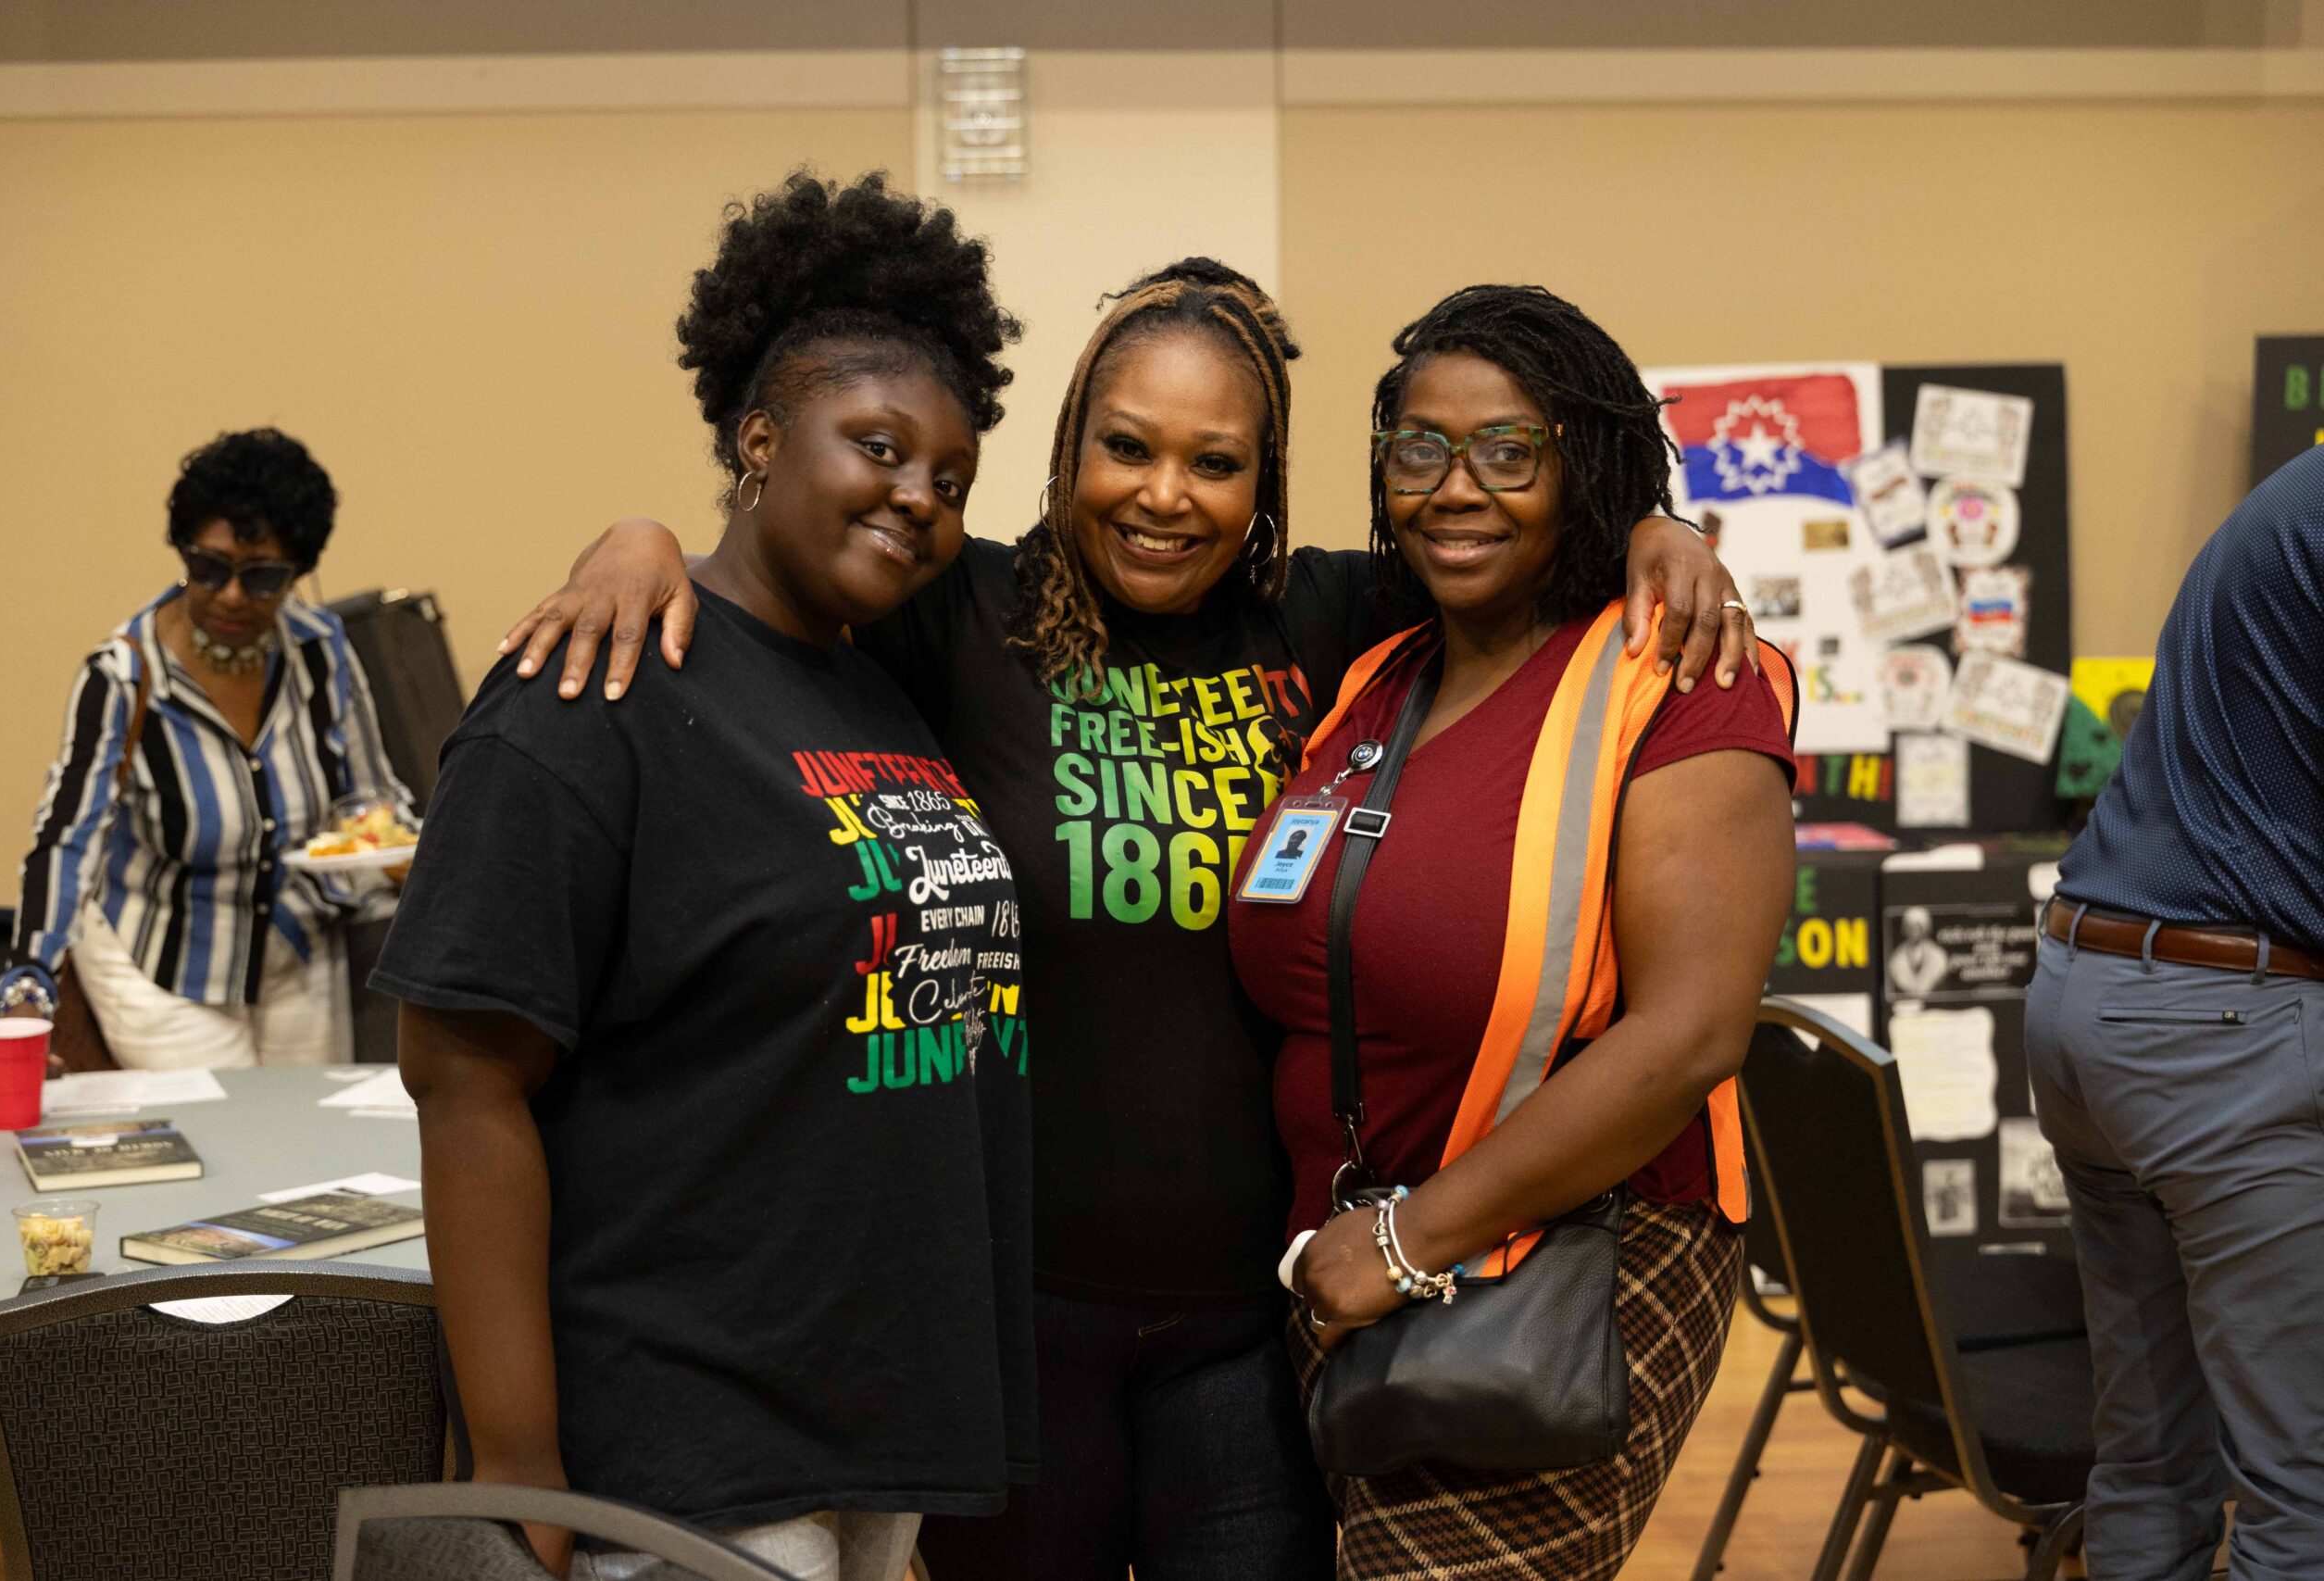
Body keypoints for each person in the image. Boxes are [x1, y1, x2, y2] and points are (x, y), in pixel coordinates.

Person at [499, 261, 1756, 1580]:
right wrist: (639, 541)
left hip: (1253, 1317)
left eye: (1214, 462)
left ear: (1262, 484)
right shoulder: (962, 611)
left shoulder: (1324, 620)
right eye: (1127, 447)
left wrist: (1653, 531)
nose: (1165, 494)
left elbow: (1509, 541)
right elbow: (778, 587)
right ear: (1071, 449)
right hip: (1009, 1317)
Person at [376, 172, 1033, 1581]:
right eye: (877, 447)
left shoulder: (881, 688)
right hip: (688, 1439)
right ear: (759, 438)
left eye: (951, 479)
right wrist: (517, 1459)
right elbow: (461, 1072)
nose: (917, 498)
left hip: (869, 1419)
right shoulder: (592, 687)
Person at [1229, 284, 1795, 1579]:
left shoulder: (1680, 675)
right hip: (1348, 1269)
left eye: (1508, 450)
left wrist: (1406, 1241)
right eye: (1419, 448)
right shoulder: (1381, 671)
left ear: (1583, 463)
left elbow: (1692, 1033)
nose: (1454, 488)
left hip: (1559, 1267)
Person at [2024, 446, 2324, 1581]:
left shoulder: (2295, 495)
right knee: (2306, 1495)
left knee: (2153, 1459)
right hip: (2217, 1024)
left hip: (2094, 993)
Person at [0, 428, 406, 1070]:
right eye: (209, 568)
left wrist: (408, 857)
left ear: (297, 571)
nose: (231, 595)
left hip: (296, 946)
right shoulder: (123, 677)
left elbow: (371, 801)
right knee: (215, 1127)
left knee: (305, 1125)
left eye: (262, 576)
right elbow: (67, 839)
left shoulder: (321, 650)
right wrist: (29, 987)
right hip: (164, 960)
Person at [1886, 906, 1950, 998]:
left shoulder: (1939, 955)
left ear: (1925, 929)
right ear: (1905, 929)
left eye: (1918, 927)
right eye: (1910, 927)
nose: (1914, 931)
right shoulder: (1896, 958)